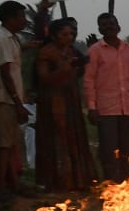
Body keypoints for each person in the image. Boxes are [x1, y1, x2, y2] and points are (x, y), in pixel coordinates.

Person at [34, 17, 97, 192]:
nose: (69, 37)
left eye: (71, 34)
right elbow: (44, 78)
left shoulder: (71, 51)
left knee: (74, 137)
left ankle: (78, 180)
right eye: (64, 34)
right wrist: (66, 67)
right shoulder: (46, 52)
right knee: (57, 138)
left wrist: (81, 63)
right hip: (53, 101)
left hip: (71, 98)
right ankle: (57, 182)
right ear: (54, 36)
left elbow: (76, 74)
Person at [85, 13, 129, 182]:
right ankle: (110, 183)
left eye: (112, 24)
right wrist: (92, 107)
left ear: (118, 26)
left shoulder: (128, 49)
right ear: (99, 29)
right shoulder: (95, 50)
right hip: (105, 108)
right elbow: (89, 80)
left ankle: (126, 182)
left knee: (126, 148)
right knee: (108, 149)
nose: (109, 27)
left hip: (126, 107)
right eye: (104, 25)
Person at [0, 1, 30, 207]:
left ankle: (14, 184)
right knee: (3, 146)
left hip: (7, 99)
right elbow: (5, 73)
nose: (24, 21)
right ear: (10, 19)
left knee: (10, 144)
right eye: (21, 17)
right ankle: (1, 188)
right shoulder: (1, 39)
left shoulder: (13, 39)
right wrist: (18, 102)